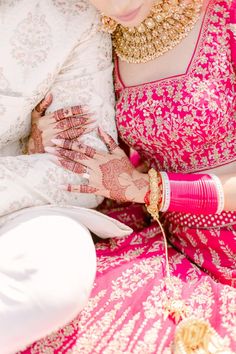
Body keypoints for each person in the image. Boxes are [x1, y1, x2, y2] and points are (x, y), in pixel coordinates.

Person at [21, 0, 236, 353]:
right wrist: (49, 144)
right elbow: (114, 164)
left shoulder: (225, 17)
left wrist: (147, 187)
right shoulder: (103, 38)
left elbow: (136, 182)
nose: (115, 5)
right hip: (167, 236)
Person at [0, 1, 135, 353]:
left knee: (57, 271)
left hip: (17, 202)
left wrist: (31, 149)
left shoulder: (78, 15)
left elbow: (84, 169)